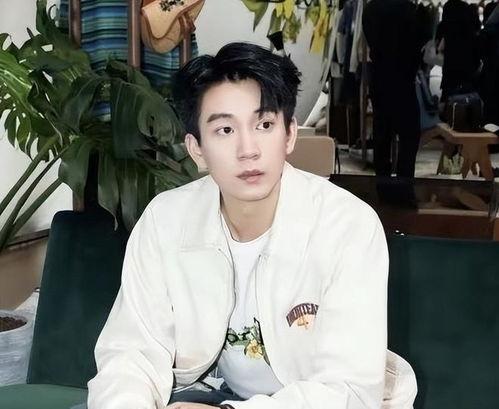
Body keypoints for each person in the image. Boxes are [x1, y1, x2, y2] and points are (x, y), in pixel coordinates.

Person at [86, 42, 417, 409]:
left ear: (289, 134)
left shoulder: (347, 226)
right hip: (204, 392)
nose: (248, 150)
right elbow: (131, 354)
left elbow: (348, 390)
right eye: (225, 130)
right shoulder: (166, 220)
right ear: (197, 149)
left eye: (264, 125)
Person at [363, 0, 424, 178]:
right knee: (409, 135)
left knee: (382, 132)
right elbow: (419, 43)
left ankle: (382, 181)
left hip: (380, 77)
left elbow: (371, 39)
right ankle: (405, 180)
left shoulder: (371, 9)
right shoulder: (412, 11)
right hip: (404, 79)